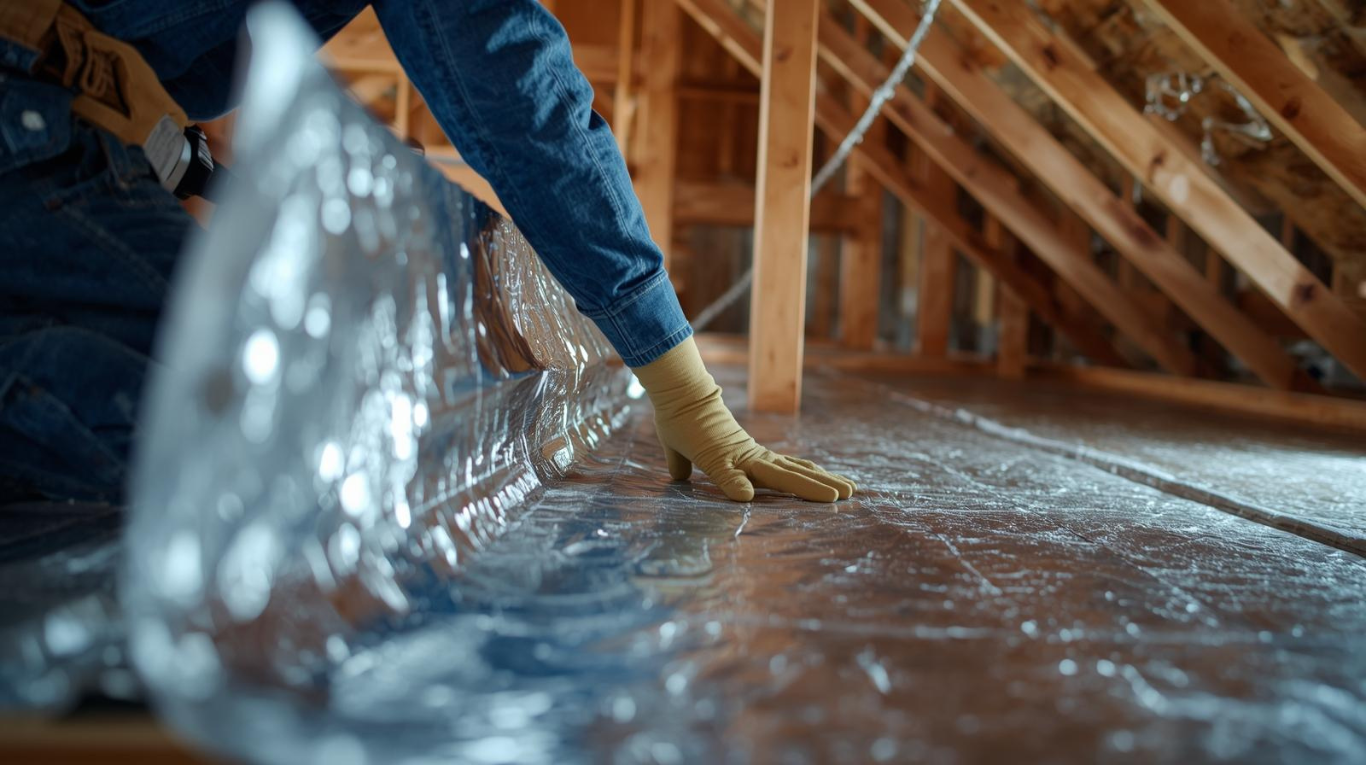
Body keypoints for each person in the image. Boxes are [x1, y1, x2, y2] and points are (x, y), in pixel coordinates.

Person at [0, 0, 856, 506]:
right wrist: (677, 374)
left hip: (63, 120)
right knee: (289, 450)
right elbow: (507, 69)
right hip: (29, 121)